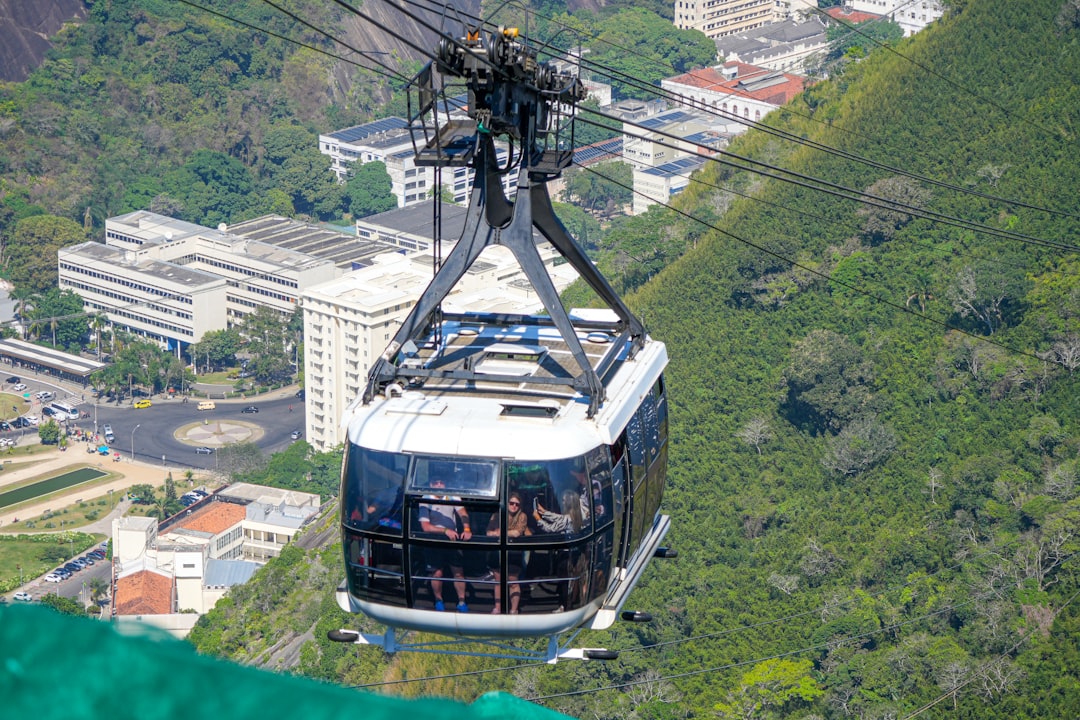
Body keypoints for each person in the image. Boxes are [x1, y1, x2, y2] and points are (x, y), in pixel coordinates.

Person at [419, 477, 472, 612]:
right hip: (434, 541)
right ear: (431, 485)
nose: (439, 484)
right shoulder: (425, 499)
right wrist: (444, 531)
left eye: (441, 482)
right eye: (436, 482)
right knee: (437, 573)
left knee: (459, 572)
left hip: (452, 540)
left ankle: (461, 602)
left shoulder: (452, 496)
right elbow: (425, 526)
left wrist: (466, 529)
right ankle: (438, 600)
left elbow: (462, 512)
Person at [486, 491, 531, 614]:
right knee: (498, 581)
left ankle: (513, 609)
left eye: (517, 504)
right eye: (511, 503)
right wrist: (505, 532)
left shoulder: (522, 516)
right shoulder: (497, 515)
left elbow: (517, 533)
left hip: (514, 552)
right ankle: (498, 607)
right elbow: (488, 533)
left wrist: (499, 532)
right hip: (498, 551)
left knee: (513, 581)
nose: (514, 506)